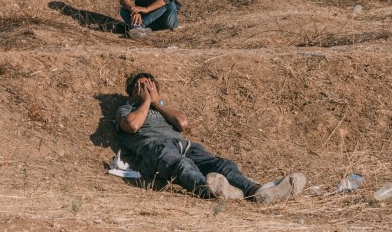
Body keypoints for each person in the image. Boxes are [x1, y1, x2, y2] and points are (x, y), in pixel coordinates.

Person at [116, 71, 306, 203]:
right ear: (132, 93)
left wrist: (156, 103)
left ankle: (258, 192)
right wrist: (146, 101)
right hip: (155, 148)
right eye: (141, 86)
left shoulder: (163, 108)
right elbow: (132, 125)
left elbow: (182, 123)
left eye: (150, 86)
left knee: (223, 165)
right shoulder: (127, 109)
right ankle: (210, 191)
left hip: (184, 145)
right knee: (182, 166)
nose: (147, 89)